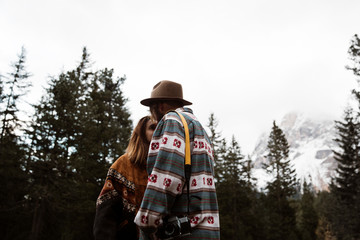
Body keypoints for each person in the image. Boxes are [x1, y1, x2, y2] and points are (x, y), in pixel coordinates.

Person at [134, 80, 220, 239]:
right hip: (207, 231)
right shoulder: (199, 128)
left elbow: (167, 177)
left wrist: (147, 222)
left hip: (183, 232)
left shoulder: (172, 120)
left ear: (159, 107)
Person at [93, 116, 157, 240]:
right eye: (152, 127)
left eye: (160, 127)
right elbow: (105, 214)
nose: (157, 131)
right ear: (141, 134)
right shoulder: (123, 165)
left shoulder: (167, 167)